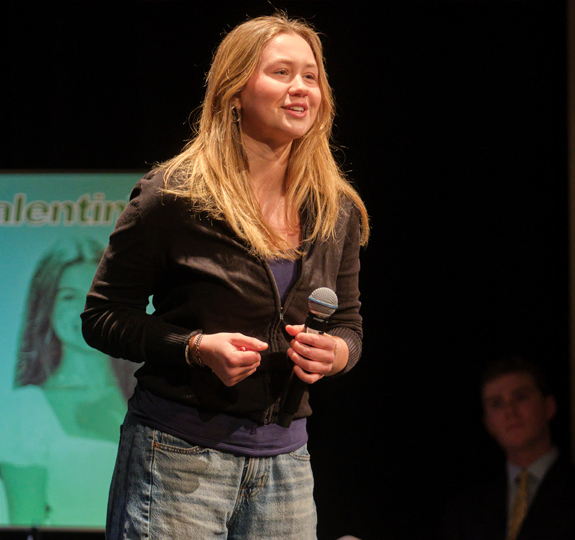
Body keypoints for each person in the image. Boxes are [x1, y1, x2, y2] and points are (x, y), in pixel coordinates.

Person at [80, 13, 368, 540]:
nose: (300, 89)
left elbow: (348, 323)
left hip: (286, 469)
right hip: (177, 460)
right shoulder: (174, 195)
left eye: (311, 76)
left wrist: (338, 354)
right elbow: (101, 318)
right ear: (235, 91)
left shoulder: (336, 209)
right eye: (282, 73)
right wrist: (195, 347)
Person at [0, 236, 138, 526]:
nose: (83, 310)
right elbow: (26, 521)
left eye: (94, 295)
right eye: (68, 297)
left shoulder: (146, 394)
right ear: (47, 307)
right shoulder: (27, 410)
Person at [440, 356, 575, 540]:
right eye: (497, 404)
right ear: (489, 424)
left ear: (548, 407)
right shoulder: (465, 511)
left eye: (520, 397)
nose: (510, 411)